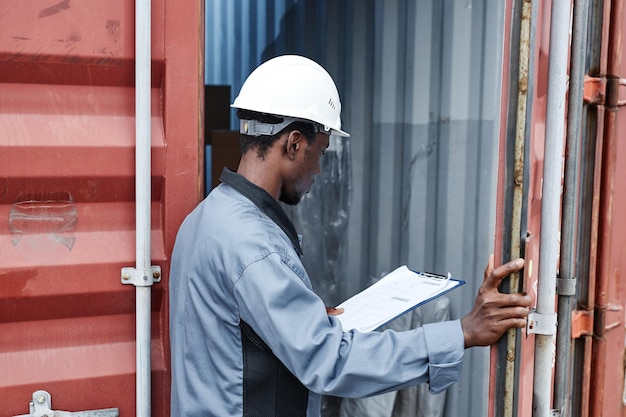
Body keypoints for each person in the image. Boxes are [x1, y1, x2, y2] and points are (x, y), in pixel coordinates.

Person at [169, 55, 531, 417]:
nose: (320, 168)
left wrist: (299, 317)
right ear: (294, 144)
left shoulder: (206, 218)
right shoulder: (254, 247)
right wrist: (463, 332)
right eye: (320, 151)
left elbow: (229, 336)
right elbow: (329, 362)